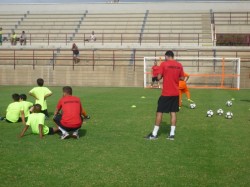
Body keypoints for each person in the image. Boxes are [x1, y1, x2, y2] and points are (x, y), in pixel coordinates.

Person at [145, 50, 184, 140]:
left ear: (167, 56)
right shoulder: (179, 65)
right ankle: (172, 134)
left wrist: (161, 76)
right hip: (175, 93)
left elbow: (158, 77)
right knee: (173, 112)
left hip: (166, 93)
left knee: (159, 112)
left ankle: (154, 134)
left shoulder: (164, 64)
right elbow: (182, 77)